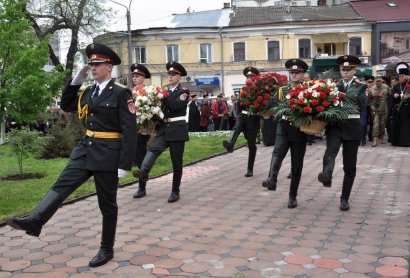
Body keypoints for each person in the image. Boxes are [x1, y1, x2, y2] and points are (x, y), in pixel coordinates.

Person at [7, 43, 138, 267]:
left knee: (107, 205)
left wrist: (124, 164)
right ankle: (35, 220)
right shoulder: (87, 91)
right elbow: (67, 106)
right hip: (85, 149)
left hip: (108, 154)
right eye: (90, 65)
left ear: (109, 66)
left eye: (97, 64)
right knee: (61, 185)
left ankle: (106, 249)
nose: (93, 68)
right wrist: (75, 82)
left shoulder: (120, 93)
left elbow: (130, 130)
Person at [133, 61, 190, 203]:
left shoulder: (184, 91)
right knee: (153, 150)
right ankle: (143, 172)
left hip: (177, 129)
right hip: (164, 129)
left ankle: (175, 191)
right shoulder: (164, 91)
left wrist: (163, 96)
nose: (170, 77)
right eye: (169, 74)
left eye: (173, 74)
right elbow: (160, 109)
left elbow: (176, 106)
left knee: (176, 163)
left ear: (180, 77)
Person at [318, 55, 367, 211]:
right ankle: (327, 175)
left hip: (352, 128)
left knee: (349, 166)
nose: (345, 72)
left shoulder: (361, 87)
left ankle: (344, 198)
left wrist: (345, 95)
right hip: (335, 126)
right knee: (330, 152)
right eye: (343, 69)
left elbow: (362, 104)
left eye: (349, 69)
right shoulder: (332, 86)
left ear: (354, 70)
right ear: (340, 70)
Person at [262, 59, 309, 209]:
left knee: (296, 166)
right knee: (276, 154)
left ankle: (292, 196)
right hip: (283, 128)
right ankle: (272, 179)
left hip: (299, 131)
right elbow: (272, 105)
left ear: (303, 74)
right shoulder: (282, 90)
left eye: (297, 72)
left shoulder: (309, 89)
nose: (294, 75)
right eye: (291, 72)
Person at [222, 66, 260, 177]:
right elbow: (239, 104)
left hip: (253, 118)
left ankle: (250, 169)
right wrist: (238, 115)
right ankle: (230, 144)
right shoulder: (243, 89)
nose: (249, 78)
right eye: (247, 76)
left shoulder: (260, 89)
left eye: (251, 76)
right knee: (236, 128)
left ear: (255, 77)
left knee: (251, 144)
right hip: (242, 116)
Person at [130, 63, 152, 199]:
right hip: (130, 130)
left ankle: (141, 187)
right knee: (135, 158)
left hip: (141, 130)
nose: (134, 78)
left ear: (143, 78)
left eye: (137, 76)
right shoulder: (130, 91)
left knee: (140, 159)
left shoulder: (146, 92)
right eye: (133, 76)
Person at [390, 63, 410, 147]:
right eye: (400, 76)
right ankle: (396, 141)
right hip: (399, 108)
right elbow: (392, 93)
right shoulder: (397, 85)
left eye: (402, 76)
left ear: (407, 76)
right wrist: (394, 95)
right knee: (397, 124)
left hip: (408, 108)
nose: (401, 78)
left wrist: (408, 96)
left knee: (407, 125)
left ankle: (406, 142)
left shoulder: (409, 85)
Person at [369, 76, 389, 147]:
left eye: (379, 81)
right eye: (376, 81)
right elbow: (369, 99)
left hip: (384, 108)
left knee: (382, 124)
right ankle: (375, 139)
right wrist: (371, 106)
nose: (378, 82)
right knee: (375, 124)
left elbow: (390, 97)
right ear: (375, 81)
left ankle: (382, 136)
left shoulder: (386, 87)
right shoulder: (371, 89)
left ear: (382, 81)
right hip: (375, 109)